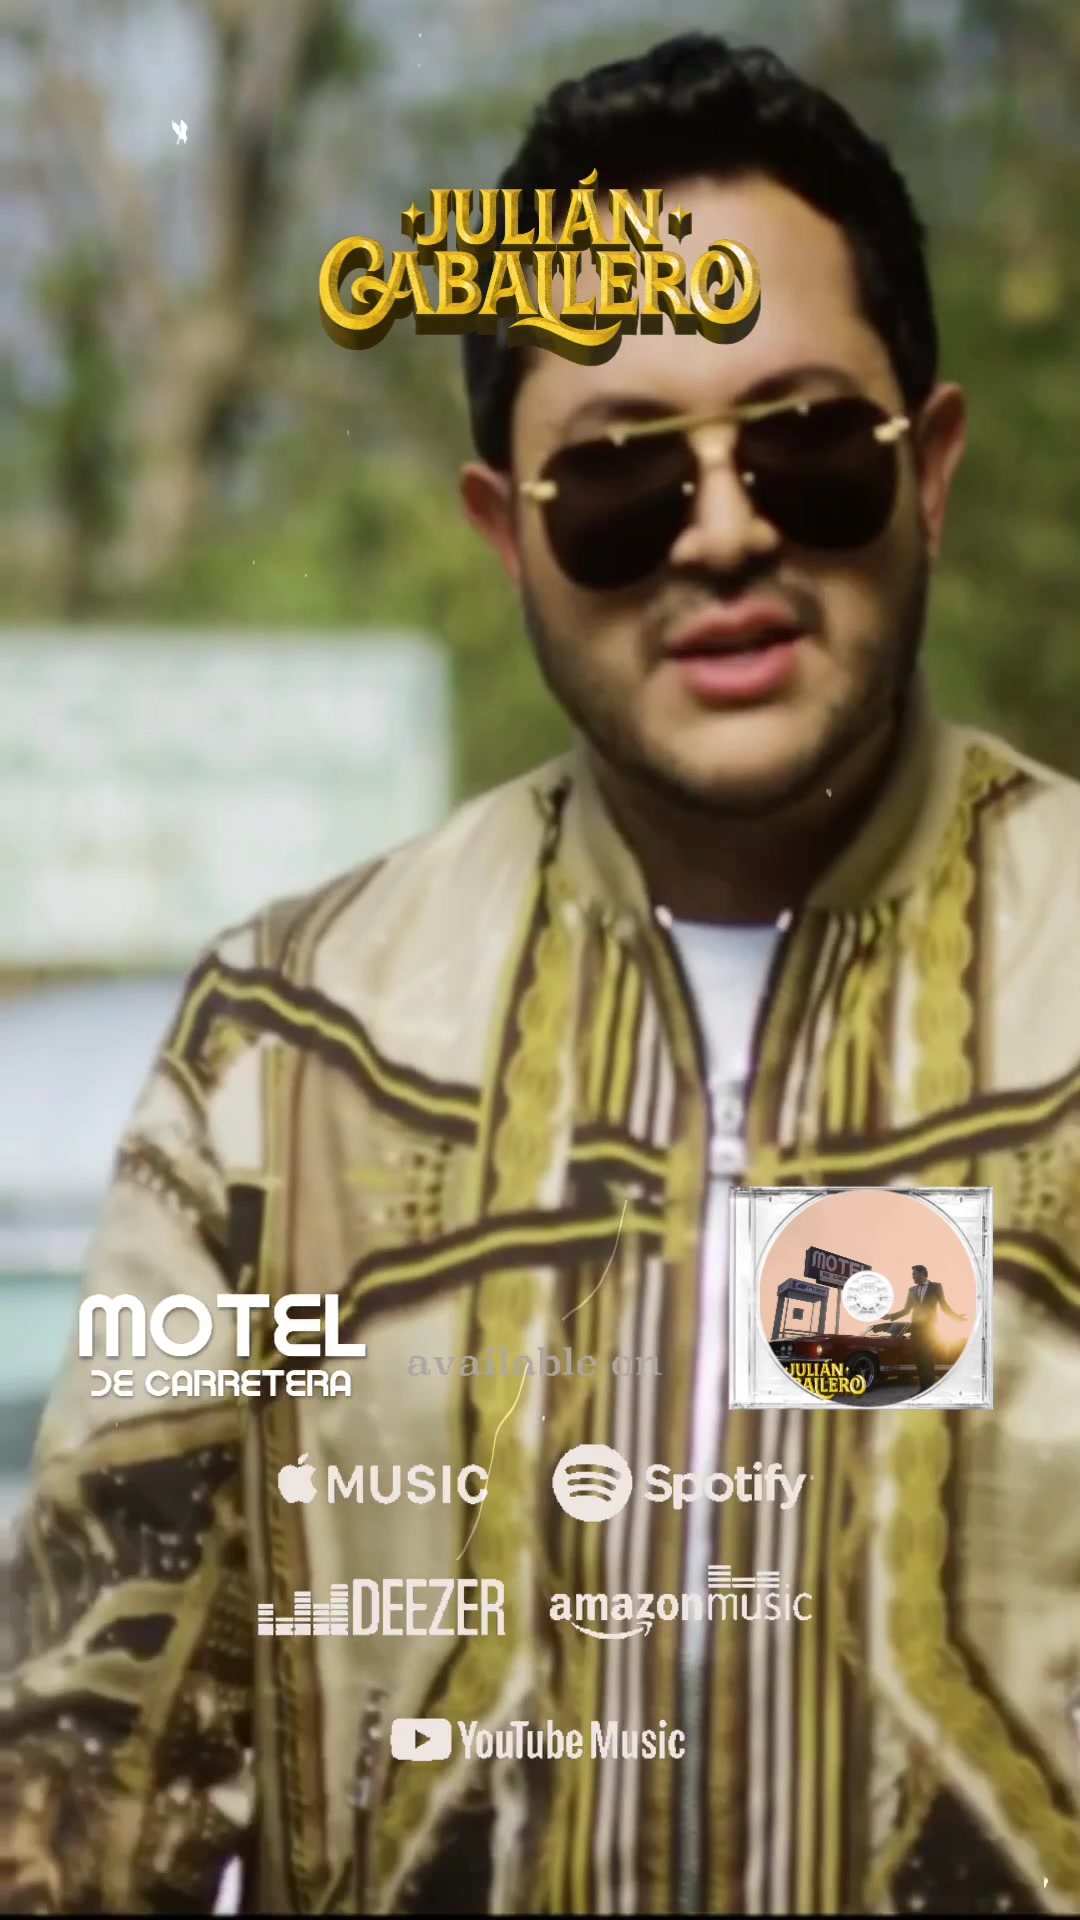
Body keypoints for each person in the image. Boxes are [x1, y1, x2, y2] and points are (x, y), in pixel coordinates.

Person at [6, 29, 1080, 1919]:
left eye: (806, 447)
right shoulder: (288, 1055)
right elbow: (85, 1789)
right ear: (508, 533)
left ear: (930, 470)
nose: (726, 531)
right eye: (619, 483)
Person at [874, 1262, 967, 1391]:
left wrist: (955, 1317)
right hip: (916, 1329)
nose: (912, 1276)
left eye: (914, 1274)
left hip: (930, 1329)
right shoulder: (911, 1290)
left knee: (928, 1359)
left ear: (922, 1273)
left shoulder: (936, 1286)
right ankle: (923, 1389)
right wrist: (890, 1316)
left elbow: (943, 1305)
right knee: (919, 1360)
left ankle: (929, 1389)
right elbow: (906, 1310)